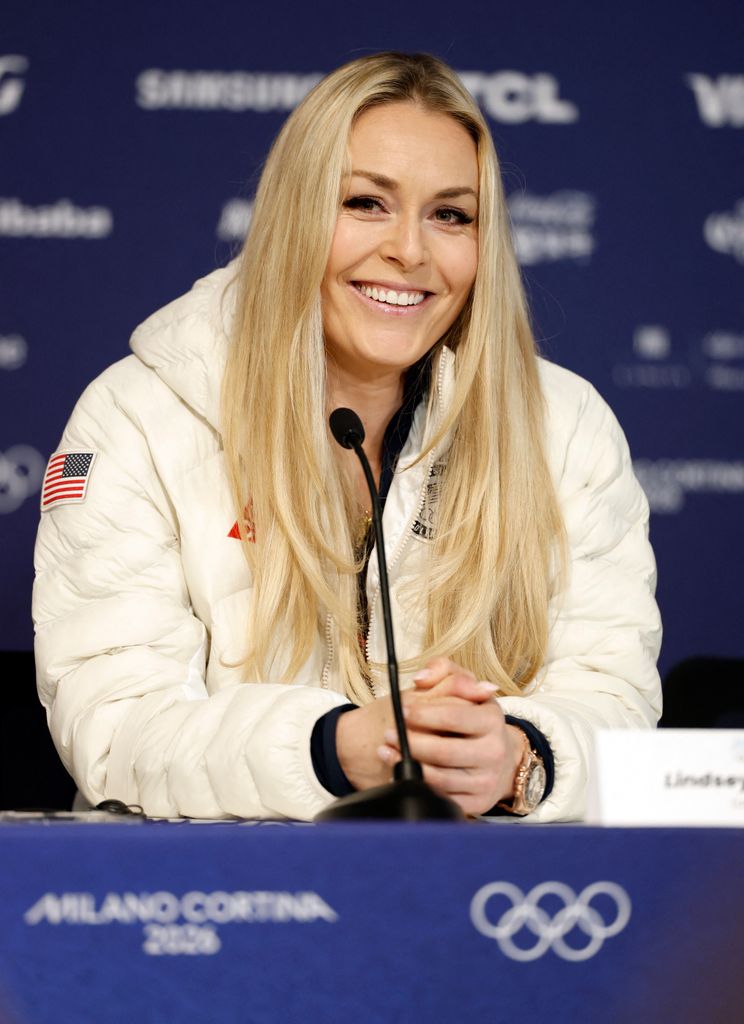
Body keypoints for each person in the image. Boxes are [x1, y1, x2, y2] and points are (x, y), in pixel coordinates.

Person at [32, 52, 661, 821]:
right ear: (297, 213)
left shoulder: (567, 428)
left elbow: (615, 704)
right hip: (217, 909)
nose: (411, 250)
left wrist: (516, 759)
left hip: (483, 901)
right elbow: (116, 730)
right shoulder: (138, 416)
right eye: (366, 203)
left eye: (451, 214)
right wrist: (335, 748)